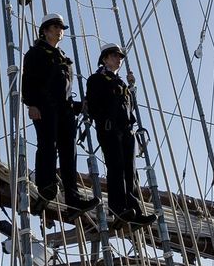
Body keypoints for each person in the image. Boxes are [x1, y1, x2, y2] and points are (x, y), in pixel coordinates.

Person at [21, 15, 95, 212]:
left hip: (65, 111)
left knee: (69, 153)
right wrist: (31, 104)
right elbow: (28, 81)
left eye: (61, 28)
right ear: (44, 31)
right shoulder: (35, 53)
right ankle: (46, 184)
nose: (59, 31)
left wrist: (79, 107)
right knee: (47, 144)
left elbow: (65, 92)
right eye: (55, 27)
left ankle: (73, 199)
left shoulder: (64, 59)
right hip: (44, 107)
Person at [84, 44, 154, 224]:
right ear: (105, 59)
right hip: (110, 128)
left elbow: (129, 107)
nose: (119, 59)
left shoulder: (122, 84)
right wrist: (105, 120)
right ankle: (117, 209)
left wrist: (132, 87)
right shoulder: (96, 79)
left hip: (126, 130)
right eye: (115, 56)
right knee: (116, 168)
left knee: (130, 172)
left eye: (120, 57)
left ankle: (134, 211)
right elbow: (93, 104)